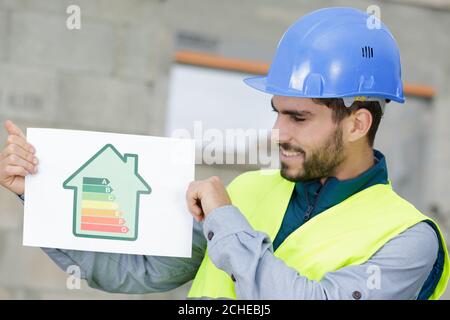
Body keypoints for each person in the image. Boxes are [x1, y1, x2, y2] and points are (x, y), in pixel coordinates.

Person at [1, 7, 448, 299]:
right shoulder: (249, 190)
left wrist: (226, 223)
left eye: (299, 118)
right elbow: (136, 271)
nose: (277, 132)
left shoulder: (410, 239)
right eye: (277, 113)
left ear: (357, 123)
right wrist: (41, 195)